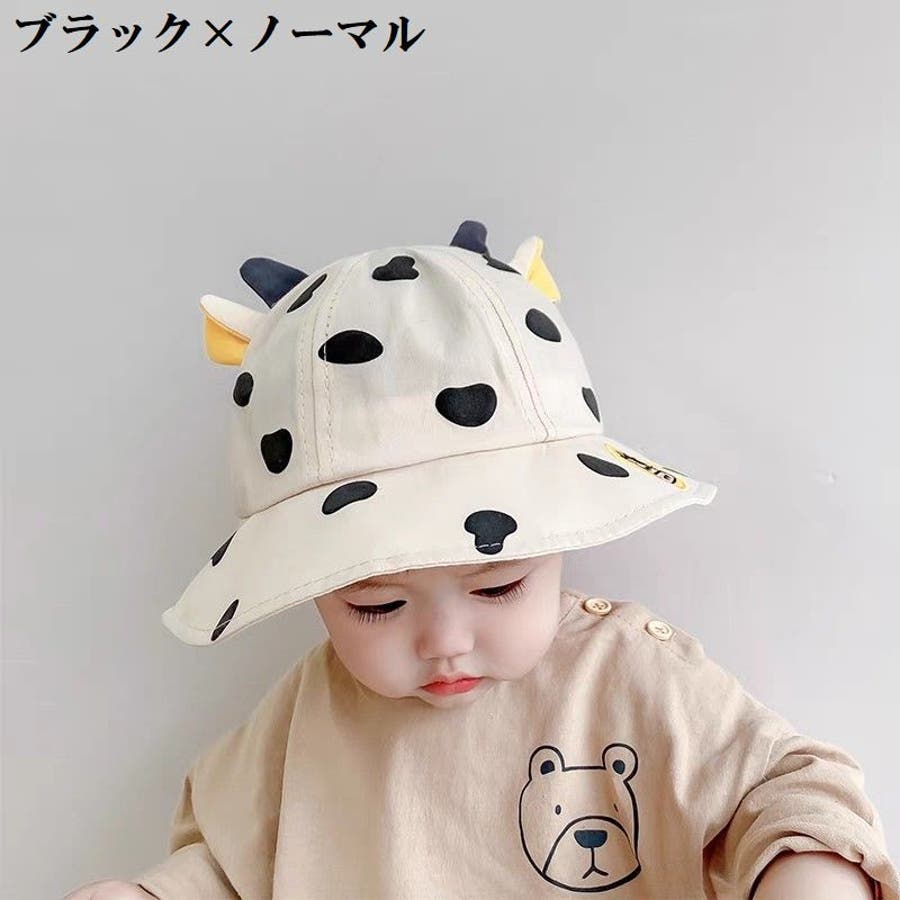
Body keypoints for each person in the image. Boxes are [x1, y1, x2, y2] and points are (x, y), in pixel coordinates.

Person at [64, 221, 899, 899]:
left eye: (497, 585)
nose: (445, 642)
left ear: (559, 536)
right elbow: (230, 867)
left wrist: (808, 872)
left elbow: (783, 787)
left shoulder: (625, 676)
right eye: (377, 604)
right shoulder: (309, 713)